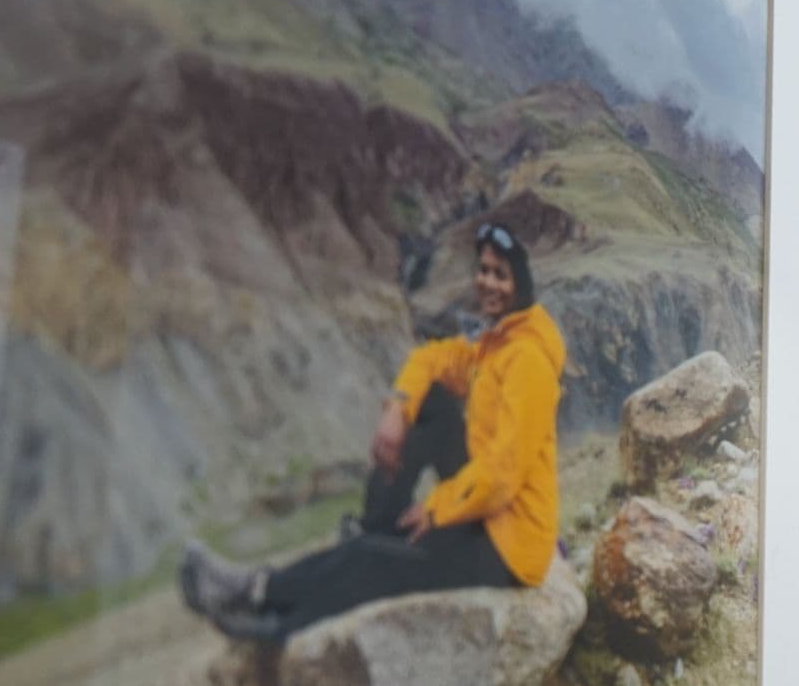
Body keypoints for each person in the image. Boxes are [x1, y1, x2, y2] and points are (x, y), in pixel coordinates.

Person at [179, 223, 565, 641]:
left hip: (506, 549)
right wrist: (397, 409)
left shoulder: (526, 361)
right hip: (488, 517)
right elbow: (431, 359)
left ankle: (270, 610)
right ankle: (370, 528)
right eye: (484, 270)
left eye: (500, 275)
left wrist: (437, 509)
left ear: (521, 284)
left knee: (373, 561)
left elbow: (504, 476)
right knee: (429, 401)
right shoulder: (498, 345)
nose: (487, 282)